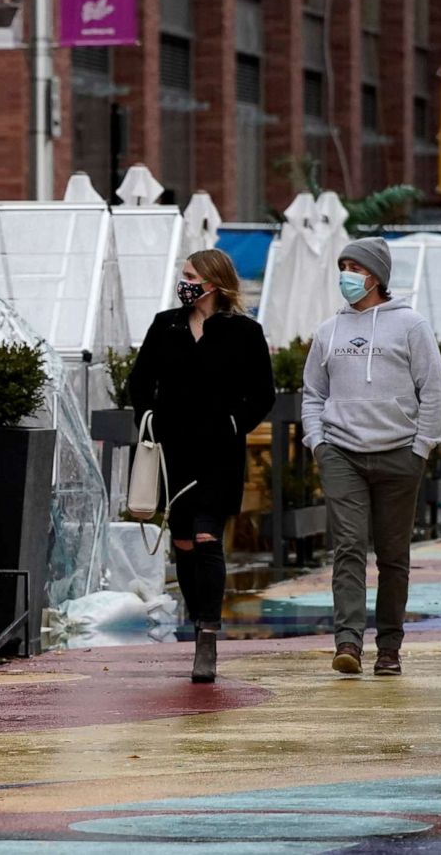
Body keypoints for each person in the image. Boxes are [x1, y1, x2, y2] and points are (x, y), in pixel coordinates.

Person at [129, 249, 276, 683]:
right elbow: (139, 380)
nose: (185, 281)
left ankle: (208, 637)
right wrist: (147, 418)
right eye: (184, 274)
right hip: (173, 451)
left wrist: (234, 423)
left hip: (218, 452)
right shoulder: (165, 325)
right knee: (185, 544)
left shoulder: (244, 332)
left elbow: (262, 392)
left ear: (214, 281)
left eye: (192, 274)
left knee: (208, 537)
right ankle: (198, 619)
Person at [302, 238, 441, 676]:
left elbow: (434, 389)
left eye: (354, 266)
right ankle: (348, 642)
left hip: (399, 455)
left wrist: (421, 447)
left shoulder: (411, 326)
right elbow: (313, 393)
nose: (345, 274)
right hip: (342, 454)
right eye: (342, 265)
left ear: (376, 276)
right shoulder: (328, 331)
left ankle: (389, 648)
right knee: (347, 547)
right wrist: (319, 443)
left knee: (392, 554)